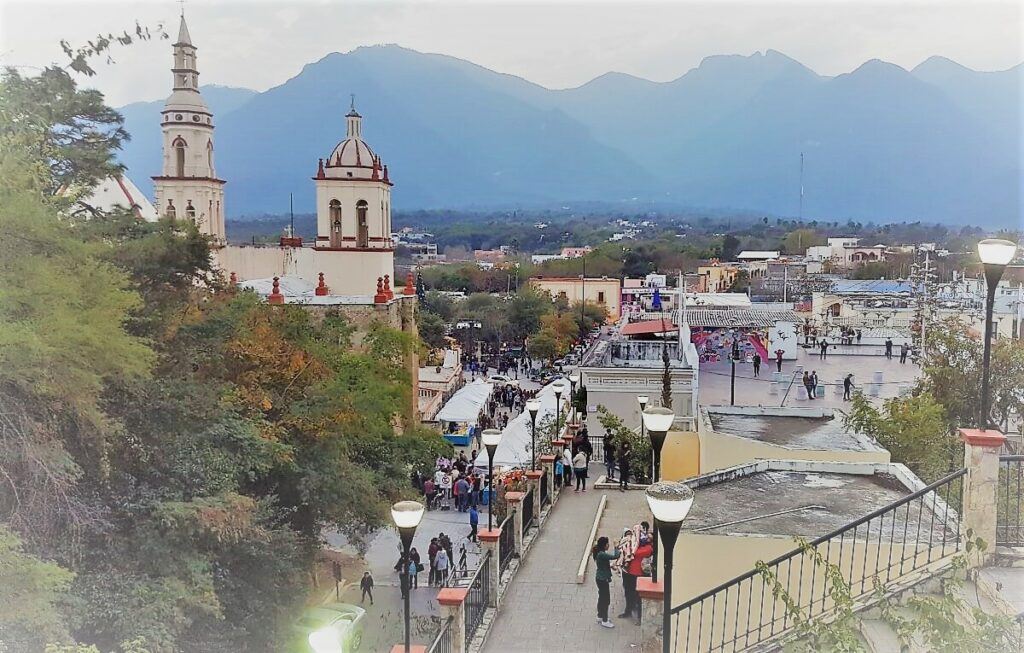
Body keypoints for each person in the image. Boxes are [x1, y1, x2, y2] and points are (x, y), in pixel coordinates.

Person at [619, 534, 653, 622]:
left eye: (649, 538)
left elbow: (633, 552)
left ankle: (639, 617)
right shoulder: (633, 545)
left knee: (638, 597)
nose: (646, 539)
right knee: (628, 593)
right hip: (628, 573)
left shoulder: (648, 548)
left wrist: (631, 546)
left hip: (638, 576)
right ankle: (628, 611)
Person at [592, 536, 621, 628]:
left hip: (600, 578)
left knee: (601, 598)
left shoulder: (600, 553)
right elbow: (615, 556)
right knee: (606, 600)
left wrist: (610, 566)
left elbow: (604, 563)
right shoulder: (601, 554)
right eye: (607, 544)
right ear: (604, 545)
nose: (608, 545)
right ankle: (605, 620)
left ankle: (600, 616)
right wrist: (616, 546)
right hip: (603, 580)